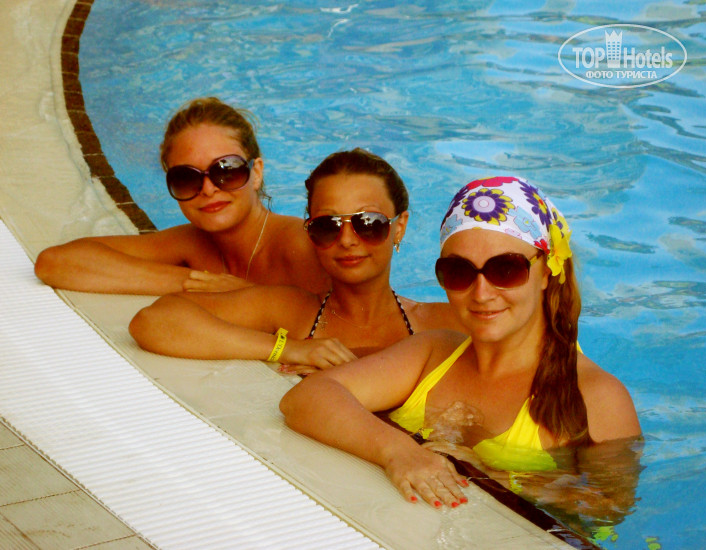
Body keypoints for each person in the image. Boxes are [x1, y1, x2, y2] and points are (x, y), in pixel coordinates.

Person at [280, 176, 641, 508]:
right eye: (458, 272)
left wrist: (491, 475)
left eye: (505, 269)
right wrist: (400, 452)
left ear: (546, 271)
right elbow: (305, 399)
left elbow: (609, 508)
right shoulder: (432, 353)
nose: (481, 293)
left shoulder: (596, 396)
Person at [129, 148, 464, 372]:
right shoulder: (291, 313)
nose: (347, 240)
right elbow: (154, 321)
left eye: (368, 224)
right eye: (327, 226)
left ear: (399, 227)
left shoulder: (441, 322)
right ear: (309, 231)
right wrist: (287, 349)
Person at [34, 97, 329, 295]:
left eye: (226, 170)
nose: (208, 189)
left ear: (256, 173)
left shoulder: (300, 246)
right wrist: (198, 282)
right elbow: (56, 262)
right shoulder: (192, 244)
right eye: (187, 178)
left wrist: (246, 296)